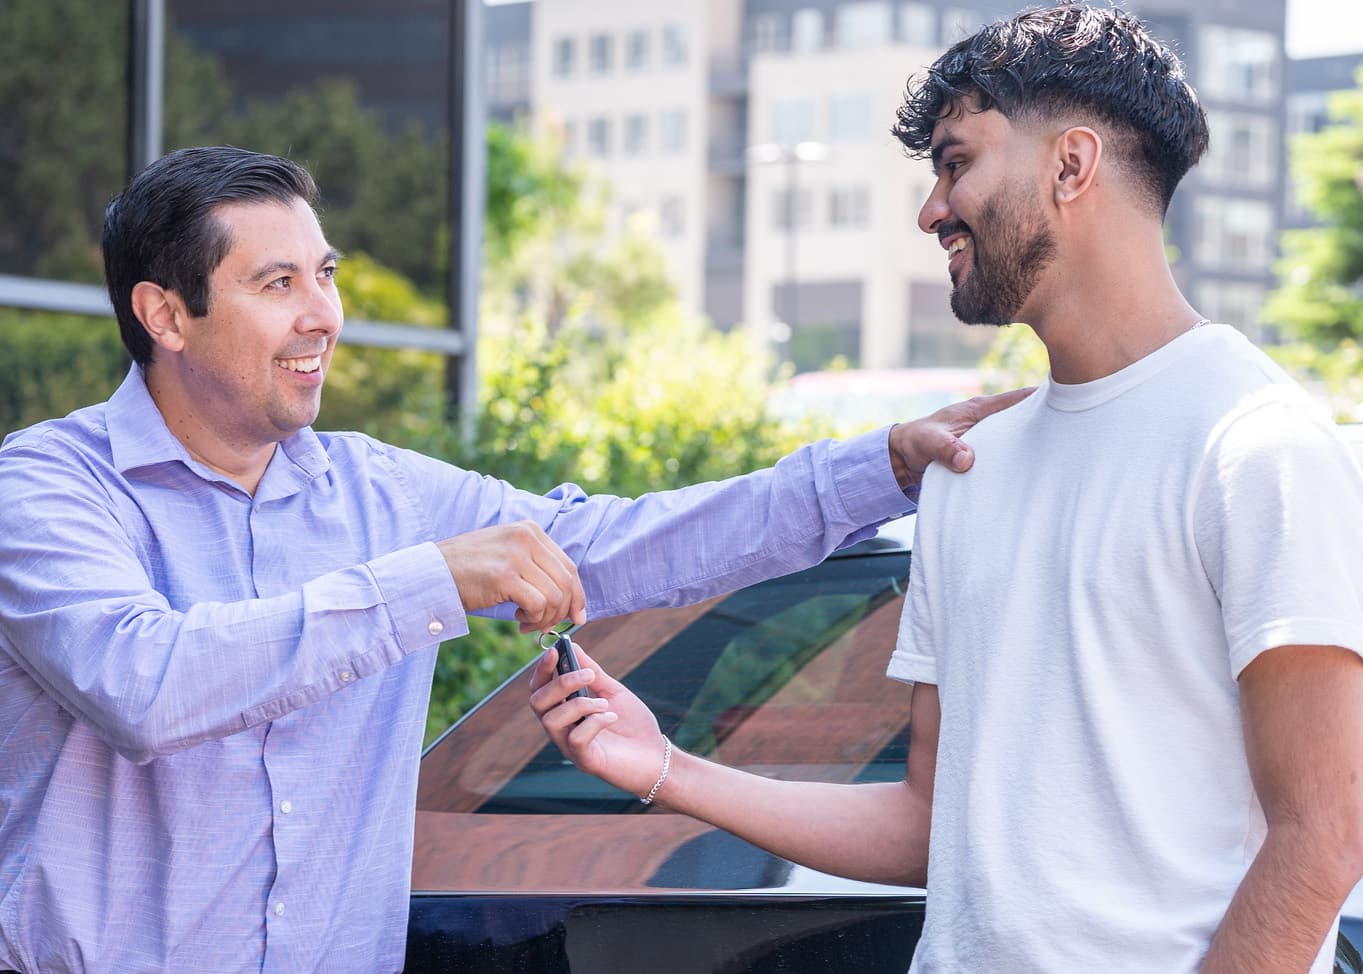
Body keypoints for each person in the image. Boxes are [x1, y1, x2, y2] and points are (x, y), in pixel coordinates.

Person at [0, 145, 1022, 974]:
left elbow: (626, 544)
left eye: (325, 275)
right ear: (165, 314)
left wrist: (881, 466)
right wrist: (432, 581)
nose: (324, 315)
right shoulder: (48, 487)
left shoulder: (381, 492)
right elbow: (144, 680)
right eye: (278, 283)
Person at [532, 6, 1363, 973]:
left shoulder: (1255, 447)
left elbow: (1324, 833)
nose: (931, 210)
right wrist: (664, 769)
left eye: (955, 163)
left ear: (1070, 165)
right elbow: (930, 823)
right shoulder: (971, 465)